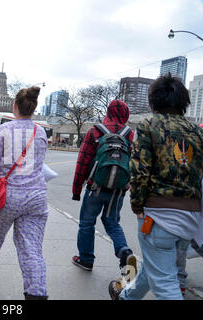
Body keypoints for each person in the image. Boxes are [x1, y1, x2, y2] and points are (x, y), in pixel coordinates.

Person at [109, 73, 203, 300]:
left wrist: (137, 205)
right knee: (155, 267)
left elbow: (140, 170)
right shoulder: (199, 133)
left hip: (159, 215)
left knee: (164, 283)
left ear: (154, 100)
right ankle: (125, 297)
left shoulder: (148, 125)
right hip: (190, 217)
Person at [0, 86, 50, 300]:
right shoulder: (40, 131)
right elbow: (39, 163)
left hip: (9, 196)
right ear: (33, 108)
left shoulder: (4, 131)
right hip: (36, 197)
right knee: (31, 248)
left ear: (15, 106)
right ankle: (36, 294)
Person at [71, 99, 137, 277]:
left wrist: (76, 190)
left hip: (95, 188)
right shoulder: (130, 134)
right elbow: (135, 163)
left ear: (108, 112)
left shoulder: (96, 131)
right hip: (118, 191)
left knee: (87, 223)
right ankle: (124, 251)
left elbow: (83, 161)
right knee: (113, 223)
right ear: (126, 114)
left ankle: (86, 259)